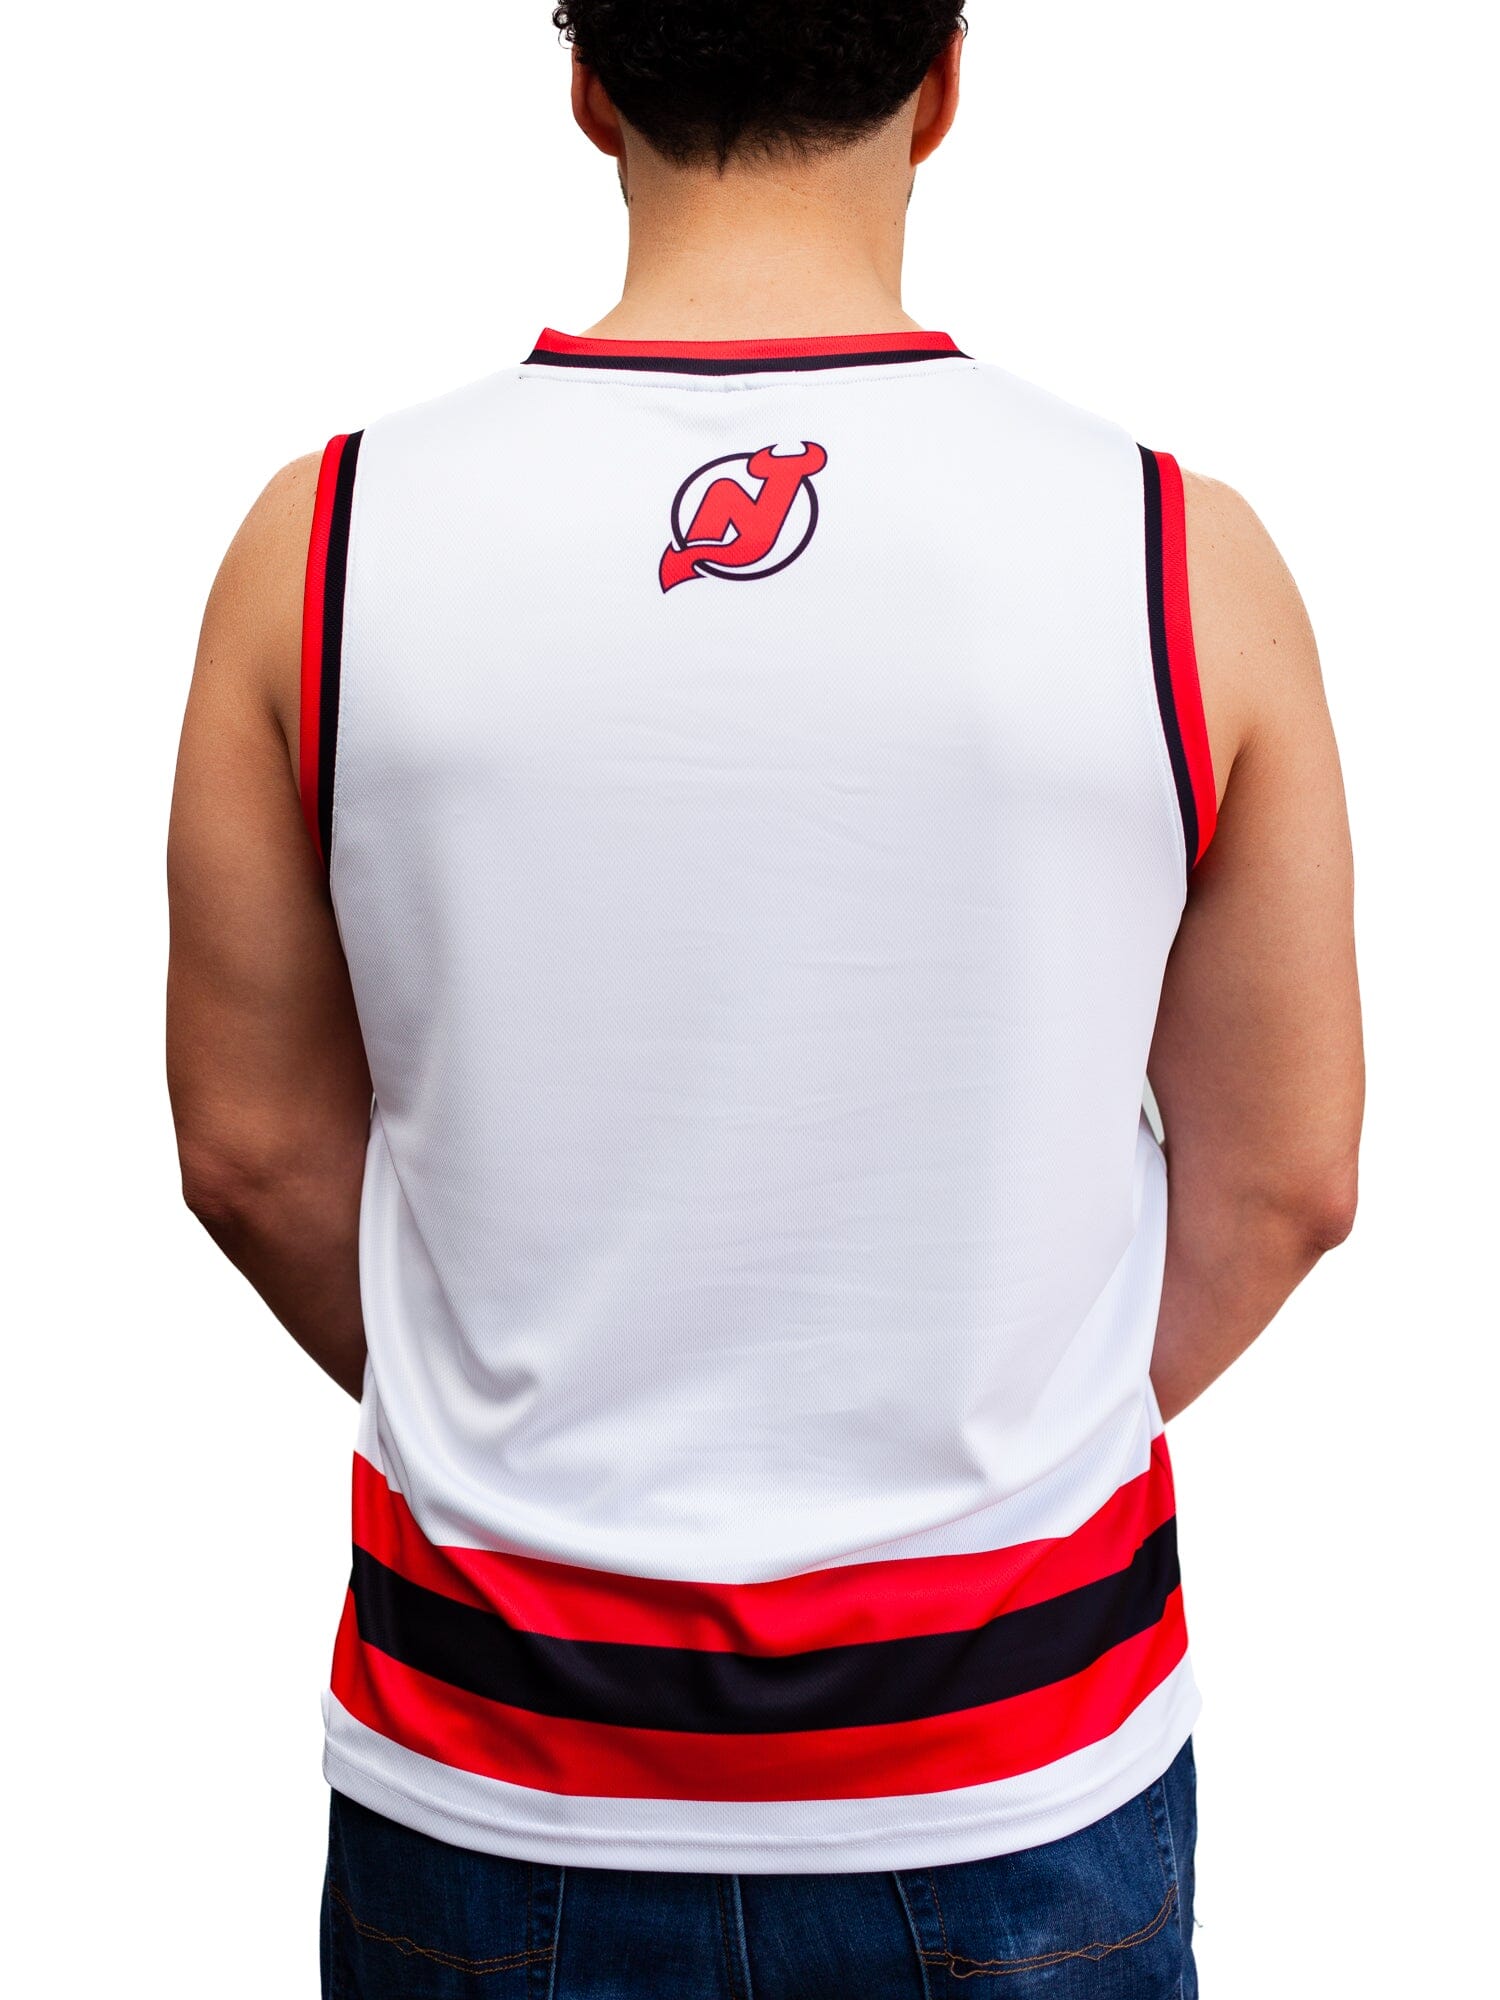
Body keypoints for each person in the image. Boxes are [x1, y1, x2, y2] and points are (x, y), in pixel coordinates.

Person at [165, 4, 1364, 1993]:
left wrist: (521, 1416)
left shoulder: (324, 542)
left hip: (500, 1777)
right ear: (946, 81)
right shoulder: (1182, 557)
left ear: (588, 87)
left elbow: (253, 1153)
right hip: (1012, 1778)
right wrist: (994, 1439)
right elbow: (1287, 1181)